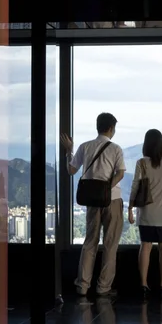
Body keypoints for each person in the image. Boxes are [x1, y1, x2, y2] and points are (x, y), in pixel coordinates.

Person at [60, 113, 126, 297]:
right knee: (110, 244)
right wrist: (106, 188)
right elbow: (120, 173)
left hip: (91, 202)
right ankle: (103, 287)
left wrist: (68, 151)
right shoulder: (116, 149)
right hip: (112, 200)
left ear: (98, 126)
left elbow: (71, 170)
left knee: (90, 242)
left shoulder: (85, 147)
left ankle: (82, 285)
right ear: (111, 128)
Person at [128, 129, 162, 299]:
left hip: (147, 210)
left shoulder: (142, 163)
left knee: (146, 246)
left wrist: (130, 207)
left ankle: (143, 284)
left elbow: (135, 186)